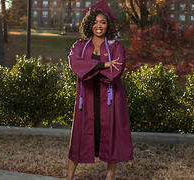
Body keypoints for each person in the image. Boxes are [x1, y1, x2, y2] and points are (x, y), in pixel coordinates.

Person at [66, 0, 133, 179]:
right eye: (95, 21)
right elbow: (76, 64)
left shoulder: (115, 46)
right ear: (89, 24)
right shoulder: (80, 45)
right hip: (86, 99)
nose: (98, 25)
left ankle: (109, 177)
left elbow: (116, 71)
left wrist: (91, 68)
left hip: (110, 99)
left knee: (112, 138)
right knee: (80, 138)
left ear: (108, 25)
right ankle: (69, 177)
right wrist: (103, 64)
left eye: (103, 22)